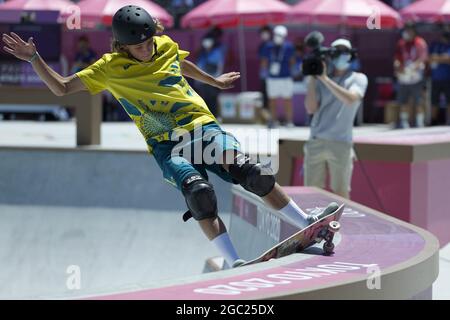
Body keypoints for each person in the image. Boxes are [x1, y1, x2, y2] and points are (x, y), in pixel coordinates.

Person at [2, 5, 336, 268]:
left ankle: (305, 221)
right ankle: (234, 261)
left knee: (250, 171)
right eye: (139, 46)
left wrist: (214, 81)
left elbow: (180, 63)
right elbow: (61, 88)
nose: (147, 50)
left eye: (149, 42)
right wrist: (34, 58)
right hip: (168, 145)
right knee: (199, 195)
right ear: (121, 45)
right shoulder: (107, 68)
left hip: (202, 127)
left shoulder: (164, 45)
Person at [304, 39, 368, 199]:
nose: (339, 55)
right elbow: (311, 108)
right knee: (311, 191)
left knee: (340, 192)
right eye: (336, 51)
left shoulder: (358, 78)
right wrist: (313, 78)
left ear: (351, 55)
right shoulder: (320, 79)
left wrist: (325, 79)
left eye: (344, 51)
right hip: (316, 141)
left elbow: (351, 99)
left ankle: (340, 224)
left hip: (340, 142)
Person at [260, 25, 296, 127]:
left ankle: (289, 121)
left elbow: (292, 61)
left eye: (280, 35)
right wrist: (266, 72)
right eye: (277, 35)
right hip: (272, 78)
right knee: (272, 100)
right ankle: (274, 121)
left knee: (287, 99)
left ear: (284, 36)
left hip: (286, 77)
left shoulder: (289, 46)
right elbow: (264, 61)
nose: (278, 37)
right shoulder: (268, 46)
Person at [394, 22, 428, 128]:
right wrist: (398, 67)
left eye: (409, 30)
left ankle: (420, 121)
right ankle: (404, 122)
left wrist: (412, 67)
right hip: (404, 76)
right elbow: (397, 58)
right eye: (406, 30)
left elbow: (423, 58)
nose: (407, 32)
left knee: (418, 100)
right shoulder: (401, 43)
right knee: (403, 100)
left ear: (414, 31)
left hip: (416, 76)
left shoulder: (420, 43)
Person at [195, 27, 226, 118]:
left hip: (213, 79)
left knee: (213, 99)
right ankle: (208, 117)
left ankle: (215, 117)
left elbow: (213, 67)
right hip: (202, 80)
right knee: (205, 99)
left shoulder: (217, 52)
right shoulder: (202, 52)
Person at [429, 28, 450, 125]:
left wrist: (437, 58)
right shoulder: (435, 45)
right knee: (434, 100)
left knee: (448, 100)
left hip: (447, 78)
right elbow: (429, 58)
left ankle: (448, 120)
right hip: (435, 78)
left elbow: (448, 59)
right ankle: (433, 121)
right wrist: (442, 58)